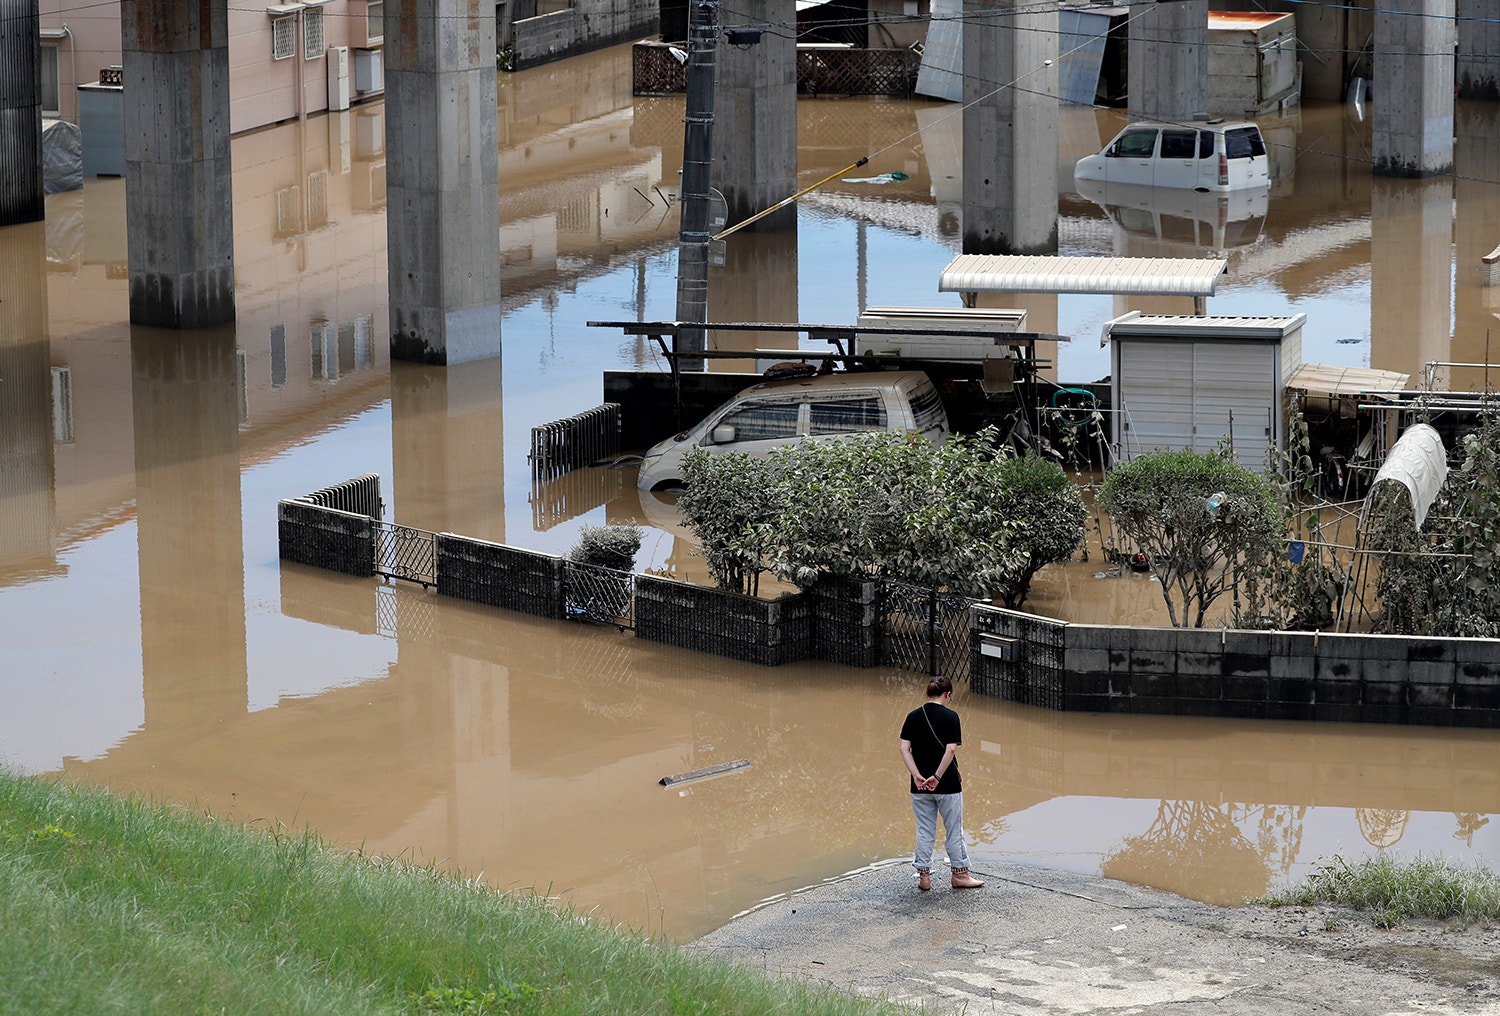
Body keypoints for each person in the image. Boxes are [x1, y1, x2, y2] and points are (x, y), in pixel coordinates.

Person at [899, 675, 984, 891]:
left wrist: (917, 775)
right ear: (947, 695)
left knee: (925, 830)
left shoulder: (912, 716)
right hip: (947, 784)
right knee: (953, 829)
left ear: (928, 693)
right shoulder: (951, 717)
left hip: (918, 786)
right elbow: (951, 749)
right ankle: (960, 875)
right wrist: (936, 777)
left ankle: (924, 878)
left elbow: (904, 748)